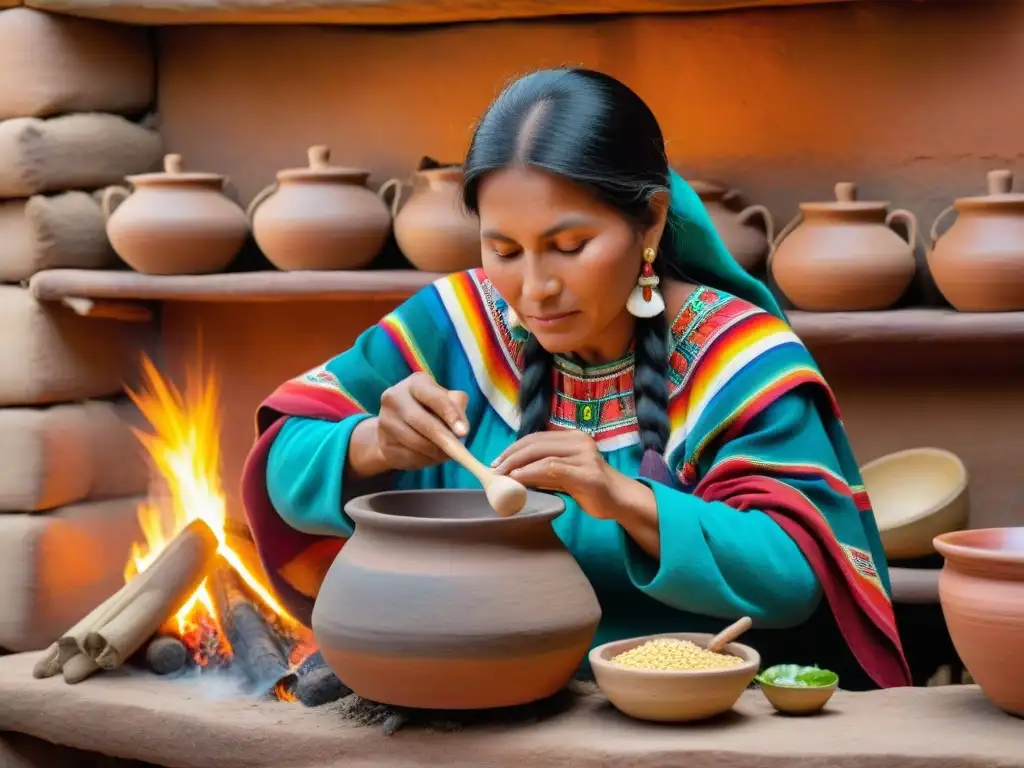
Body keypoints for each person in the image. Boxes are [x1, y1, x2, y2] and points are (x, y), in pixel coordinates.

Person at [241, 68, 910, 691]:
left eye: (569, 247)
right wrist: (373, 446)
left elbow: (791, 578)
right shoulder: (458, 323)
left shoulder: (734, 357)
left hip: (675, 714)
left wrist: (621, 496)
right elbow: (281, 470)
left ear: (648, 219)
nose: (533, 289)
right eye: (503, 250)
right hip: (459, 696)